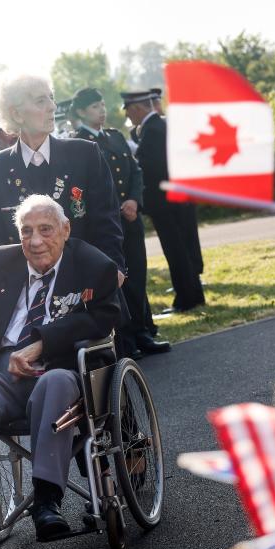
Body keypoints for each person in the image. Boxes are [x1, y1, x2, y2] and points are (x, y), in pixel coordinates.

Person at [0, 193, 120, 543]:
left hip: (64, 377)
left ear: (65, 228)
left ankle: (47, 503)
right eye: (26, 231)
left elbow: (107, 318)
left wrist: (43, 342)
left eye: (46, 229)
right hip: (5, 380)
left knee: (55, 381)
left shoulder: (90, 263)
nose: (35, 240)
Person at [0, 72, 125, 283]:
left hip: (86, 280)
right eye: (40, 101)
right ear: (16, 114)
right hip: (26, 289)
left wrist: (112, 268)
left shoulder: (85, 154)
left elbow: (107, 222)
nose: (52, 107)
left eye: (50, 98)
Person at [70, 87, 168, 356]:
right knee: (115, 281)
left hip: (130, 218)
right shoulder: (78, 144)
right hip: (106, 224)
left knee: (136, 276)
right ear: (80, 112)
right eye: (94, 107)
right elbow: (83, 189)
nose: (101, 110)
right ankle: (125, 341)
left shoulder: (114, 136)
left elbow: (135, 171)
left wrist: (135, 201)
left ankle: (143, 331)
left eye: (102, 105)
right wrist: (115, 207)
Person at [123, 90, 206, 312]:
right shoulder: (164, 125)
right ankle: (194, 294)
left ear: (137, 109)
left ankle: (186, 298)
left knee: (176, 250)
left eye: (130, 113)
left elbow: (153, 168)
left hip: (166, 202)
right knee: (186, 248)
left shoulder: (152, 131)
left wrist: (136, 165)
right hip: (180, 198)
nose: (130, 119)